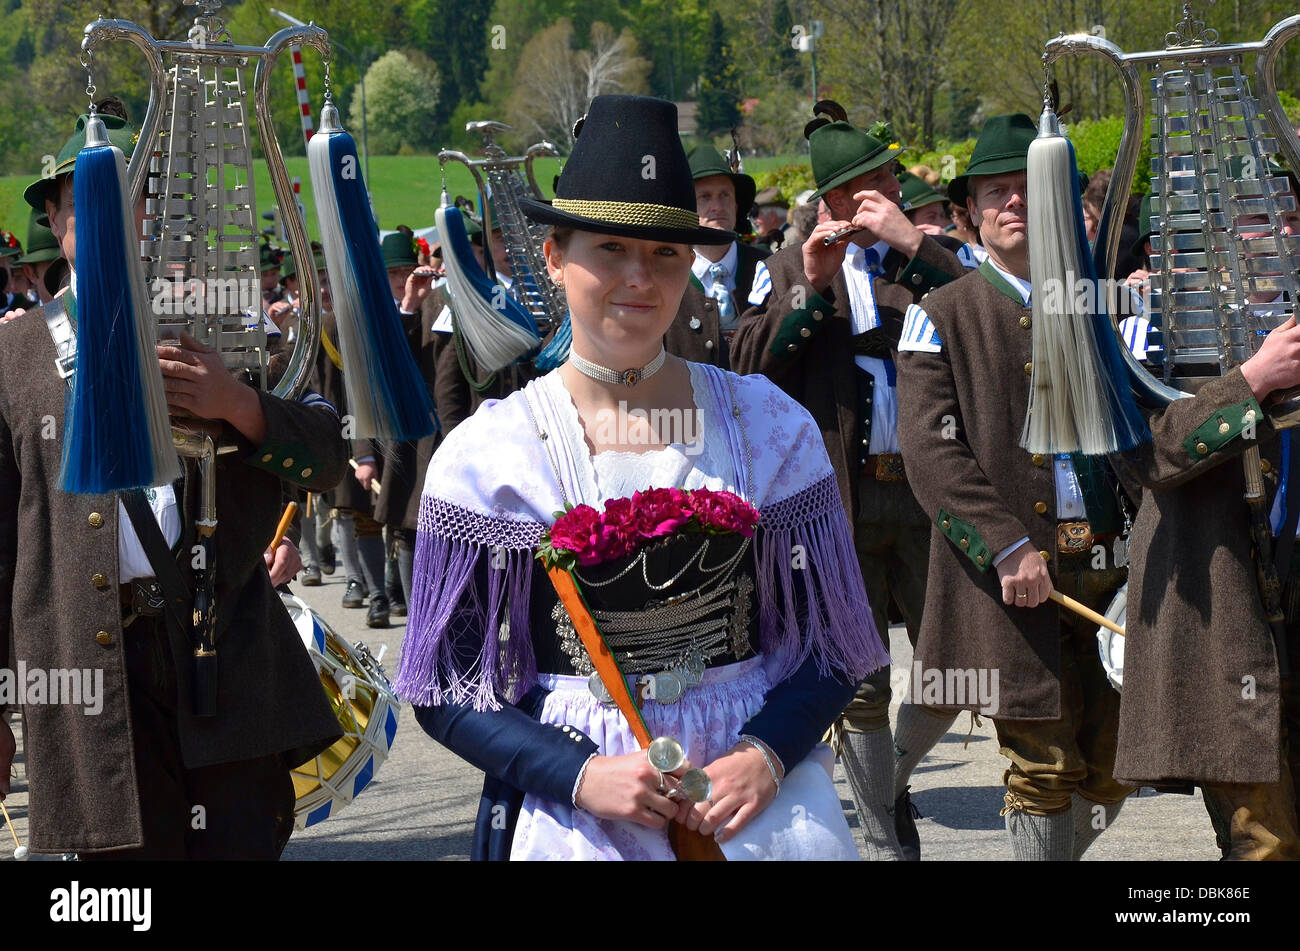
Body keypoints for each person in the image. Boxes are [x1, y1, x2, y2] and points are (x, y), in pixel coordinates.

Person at [396, 94, 885, 861]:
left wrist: (767, 753)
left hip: (754, 796)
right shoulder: (492, 451)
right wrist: (581, 774)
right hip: (579, 807)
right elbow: (445, 686)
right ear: (555, 257)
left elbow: (836, 645)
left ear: (691, 261)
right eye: (610, 249)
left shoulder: (768, 425)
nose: (639, 278)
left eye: (664, 253)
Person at [0, 110, 344, 858]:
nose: (114, 217)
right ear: (56, 222)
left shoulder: (234, 327)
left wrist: (240, 405)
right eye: (83, 201)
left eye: (137, 196)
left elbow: (328, 459)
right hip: (89, 683)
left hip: (224, 666)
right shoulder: (14, 357)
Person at [895, 114, 1135, 861]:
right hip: (1011, 584)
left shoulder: (1104, 303)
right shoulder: (938, 316)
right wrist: (1006, 546)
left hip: (1112, 571)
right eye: (996, 192)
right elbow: (933, 456)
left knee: (1122, 766)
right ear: (970, 214)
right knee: (1044, 769)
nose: (1013, 205)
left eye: (1030, 191)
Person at [730, 109, 966, 860]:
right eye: (875, 184)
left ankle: (887, 783)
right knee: (859, 682)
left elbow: (987, 320)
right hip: (839, 504)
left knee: (959, 668)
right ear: (835, 201)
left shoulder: (923, 259)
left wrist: (913, 243)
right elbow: (748, 364)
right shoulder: (787, 267)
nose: (893, 191)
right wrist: (811, 287)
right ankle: (884, 833)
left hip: (929, 496)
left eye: (894, 179)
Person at [1107, 163, 1300, 861]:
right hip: (1225, 612)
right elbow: (1145, 455)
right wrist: (1253, 380)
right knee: (1265, 845)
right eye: (1255, 217)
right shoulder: (1153, 329)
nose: (1275, 233)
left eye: (1287, 216)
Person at [683, 144, 769, 366]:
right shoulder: (669, 272)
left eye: (724, 195)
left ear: (736, 205)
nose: (717, 206)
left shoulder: (767, 265)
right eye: (705, 197)